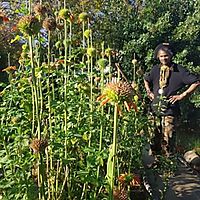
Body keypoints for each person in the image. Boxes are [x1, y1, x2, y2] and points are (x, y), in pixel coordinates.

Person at [144, 43, 199, 157]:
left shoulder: (179, 70)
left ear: (171, 55)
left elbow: (196, 82)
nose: (164, 58)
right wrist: (149, 91)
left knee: (168, 138)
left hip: (170, 110)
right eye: (161, 56)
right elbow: (146, 79)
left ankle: (168, 165)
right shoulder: (155, 69)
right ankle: (155, 162)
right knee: (153, 136)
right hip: (154, 109)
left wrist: (182, 95)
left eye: (166, 55)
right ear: (158, 57)